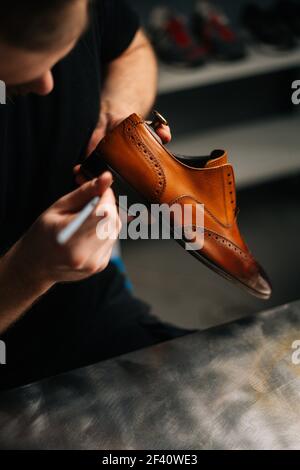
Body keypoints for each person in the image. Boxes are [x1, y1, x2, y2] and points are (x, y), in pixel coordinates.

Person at [0, 0, 190, 390]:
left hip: (99, 319)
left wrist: (118, 109)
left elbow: (132, 49)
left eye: (65, 53)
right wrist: (26, 271)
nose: (47, 85)